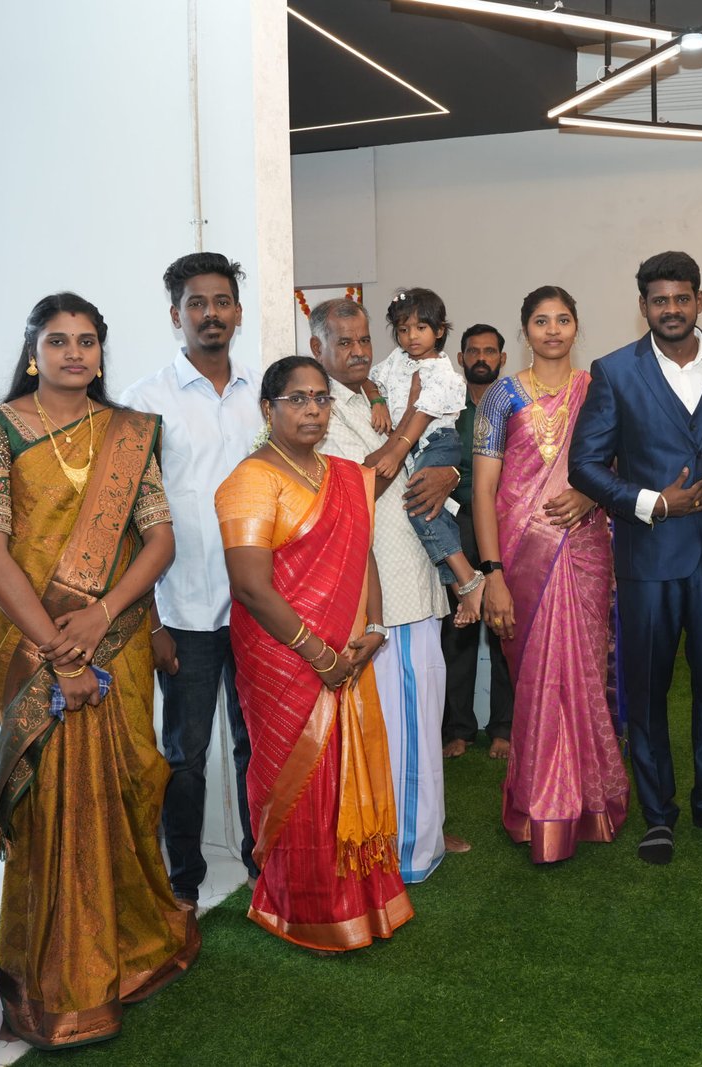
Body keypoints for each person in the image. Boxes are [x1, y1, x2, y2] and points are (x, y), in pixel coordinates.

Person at [0, 293, 197, 1048]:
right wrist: (59, 649)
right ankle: (56, 978)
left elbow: (159, 540)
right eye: (59, 340)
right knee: (53, 803)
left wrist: (102, 615)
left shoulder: (128, 432)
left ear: (101, 352)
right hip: (33, 647)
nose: (75, 353)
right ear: (33, 350)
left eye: (87, 341)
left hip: (117, 640)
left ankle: (136, 949)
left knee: (127, 784)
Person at [215, 355, 411, 951]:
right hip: (282, 657)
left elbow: (363, 552)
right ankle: (299, 907)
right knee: (293, 780)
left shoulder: (347, 475)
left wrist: (374, 626)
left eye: (321, 399)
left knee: (345, 771)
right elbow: (251, 587)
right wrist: (318, 654)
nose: (312, 410)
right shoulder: (250, 480)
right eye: (297, 399)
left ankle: (359, 901)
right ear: (268, 409)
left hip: (347, 648)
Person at [570, 251, 702, 866]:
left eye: (681, 298)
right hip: (648, 558)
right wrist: (652, 503)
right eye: (659, 301)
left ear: (699, 299)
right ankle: (658, 813)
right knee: (647, 692)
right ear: (643, 305)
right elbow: (584, 466)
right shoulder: (615, 371)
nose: (671, 310)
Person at [118, 251, 261, 906]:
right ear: (176, 315)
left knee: (259, 745)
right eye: (196, 303)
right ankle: (183, 885)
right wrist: (150, 620)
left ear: (237, 311)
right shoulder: (144, 402)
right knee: (184, 756)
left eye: (221, 301)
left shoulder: (263, 395)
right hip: (184, 612)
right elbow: (127, 523)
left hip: (259, 608)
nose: (211, 314)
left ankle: (264, 866)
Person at [309, 297, 469, 880]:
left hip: (415, 580)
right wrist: (406, 433)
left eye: (363, 341)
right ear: (317, 348)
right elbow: (358, 490)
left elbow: (431, 459)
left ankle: (423, 831)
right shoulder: (322, 413)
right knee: (401, 729)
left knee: (422, 721)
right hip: (383, 597)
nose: (357, 352)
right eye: (343, 343)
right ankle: (404, 853)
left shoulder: (375, 390)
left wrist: (449, 470)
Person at [475, 285, 629, 863]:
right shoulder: (500, 397)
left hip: (586, 548)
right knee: (537, 680)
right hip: (521, 554)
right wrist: (492, 572)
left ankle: (590, 802)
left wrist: (591, 496)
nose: (553, 330)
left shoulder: (598, 389)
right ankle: (540, 806)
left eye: (563, 319)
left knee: (585, 672)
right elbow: (485, 489)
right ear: (525, 331)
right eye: (541, 321)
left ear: (576, 326)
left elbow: (620, 468)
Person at [370, 288, 485, 623]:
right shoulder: (396, 361)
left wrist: (396, 452)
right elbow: (369, 381)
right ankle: (462, 588)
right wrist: (377, 402)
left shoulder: (442, 372)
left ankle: (468, 578)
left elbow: (420, 415)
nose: (411, 336)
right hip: (414, 446)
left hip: (436, 442)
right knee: (432, 514)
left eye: (420, 328)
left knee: (420, 506)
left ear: (438, 330)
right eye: (403, 329)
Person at [442, 323, 516, 760]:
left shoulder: (512, 404)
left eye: (490, 351)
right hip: (455, 523)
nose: (482, 358)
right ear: (461, 358)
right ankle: (459, 729)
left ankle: (504, 728)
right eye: (474, 351)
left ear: (502, 359)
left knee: (503, 622)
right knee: (458, 628)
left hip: (503, 522)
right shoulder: (447, 406)